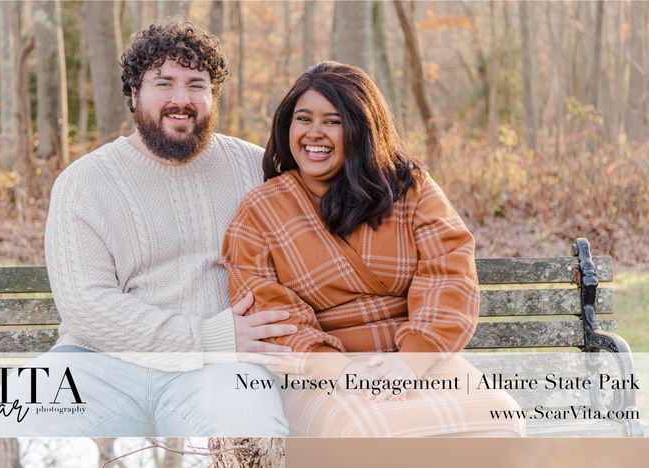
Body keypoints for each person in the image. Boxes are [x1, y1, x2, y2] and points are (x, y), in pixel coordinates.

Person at [0, 21, 292, 437]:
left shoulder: (254, 168)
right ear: (134, 94)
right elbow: (86, 305)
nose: (180, 100)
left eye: (196, 85)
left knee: (253, 431)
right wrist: (205, 336)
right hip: (99, 363)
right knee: (16, 417)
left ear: (213, 95)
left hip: (219, 368)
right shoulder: (85, 182)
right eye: (163, 83)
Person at [223, 62, 524, 437]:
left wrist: (411, 362)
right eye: (303, 119)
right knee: (374, 435)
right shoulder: (261, 209)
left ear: (363, 129)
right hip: (322, 373)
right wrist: (340, 371)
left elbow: (449, 274)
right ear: (287, 127)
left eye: (332, 121)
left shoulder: (410, 188)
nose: (314, 133)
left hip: (419, 362)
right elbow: (266, 308)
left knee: (500, 422)